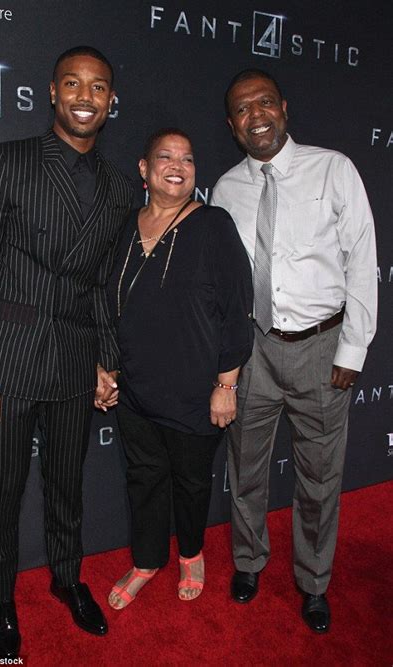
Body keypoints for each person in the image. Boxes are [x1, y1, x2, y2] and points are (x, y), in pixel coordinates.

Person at [0, 46, 133, 657]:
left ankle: (67, 579)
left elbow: (103, 287)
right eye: (73, 84)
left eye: (99, 87)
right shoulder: (6, 161)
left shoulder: (116, 187)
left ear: (111, 101)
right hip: (7, 360)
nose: (86, 96)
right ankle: (2, 600)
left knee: (67, 487)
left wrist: (106, 358)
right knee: (2, 493)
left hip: (75, 361)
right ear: (52, 93)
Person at [211, 69, 377, 633]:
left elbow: (363, 261)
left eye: (263, 103)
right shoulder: (226, 188)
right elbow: (224, 283)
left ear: (283, 107)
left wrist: (352, 350)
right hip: (251, 350)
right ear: (232, 126)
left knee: (319, 478)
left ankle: (313, 582)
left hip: (320, 348)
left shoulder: (334, 169)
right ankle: (249, 562)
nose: (255, 116)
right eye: (241, 110)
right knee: (246, 469)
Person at [106, 128, 253, 609]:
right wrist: (102, 366)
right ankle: (147, 560)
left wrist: (226, 385)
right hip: (135, 390)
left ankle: (191, 553)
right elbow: (102, 304)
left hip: (196, 391)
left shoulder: (213, 224)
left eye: (187, 159)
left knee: (191, 484)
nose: (177, 166)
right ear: (143, 169)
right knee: (143, 479)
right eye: (165, 157)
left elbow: (237, 309)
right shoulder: (125, 226)